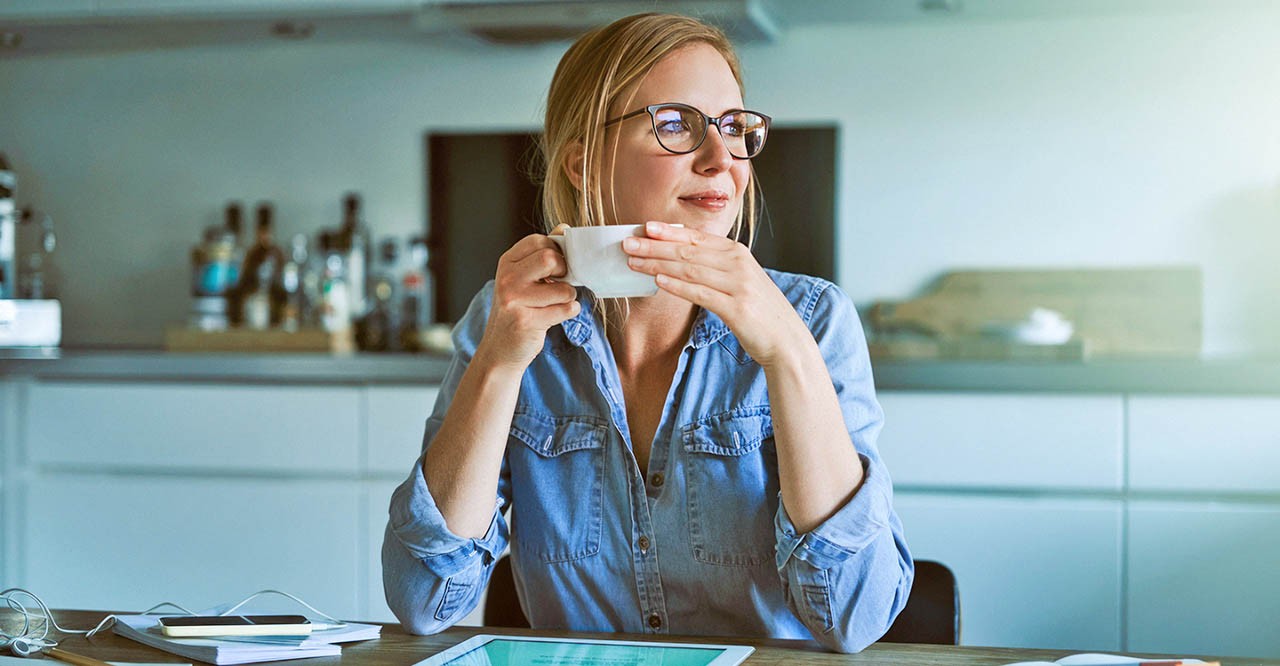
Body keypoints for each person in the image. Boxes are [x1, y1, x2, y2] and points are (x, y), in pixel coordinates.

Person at [382, 12, 913, 654]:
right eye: (675, 126)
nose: (722, 161)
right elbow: (423, 602)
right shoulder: (504, 322)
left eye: (734, 129)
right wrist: (498, 365)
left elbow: (855, 617)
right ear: (582, 164)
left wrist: (788, 351)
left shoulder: (815, 318)